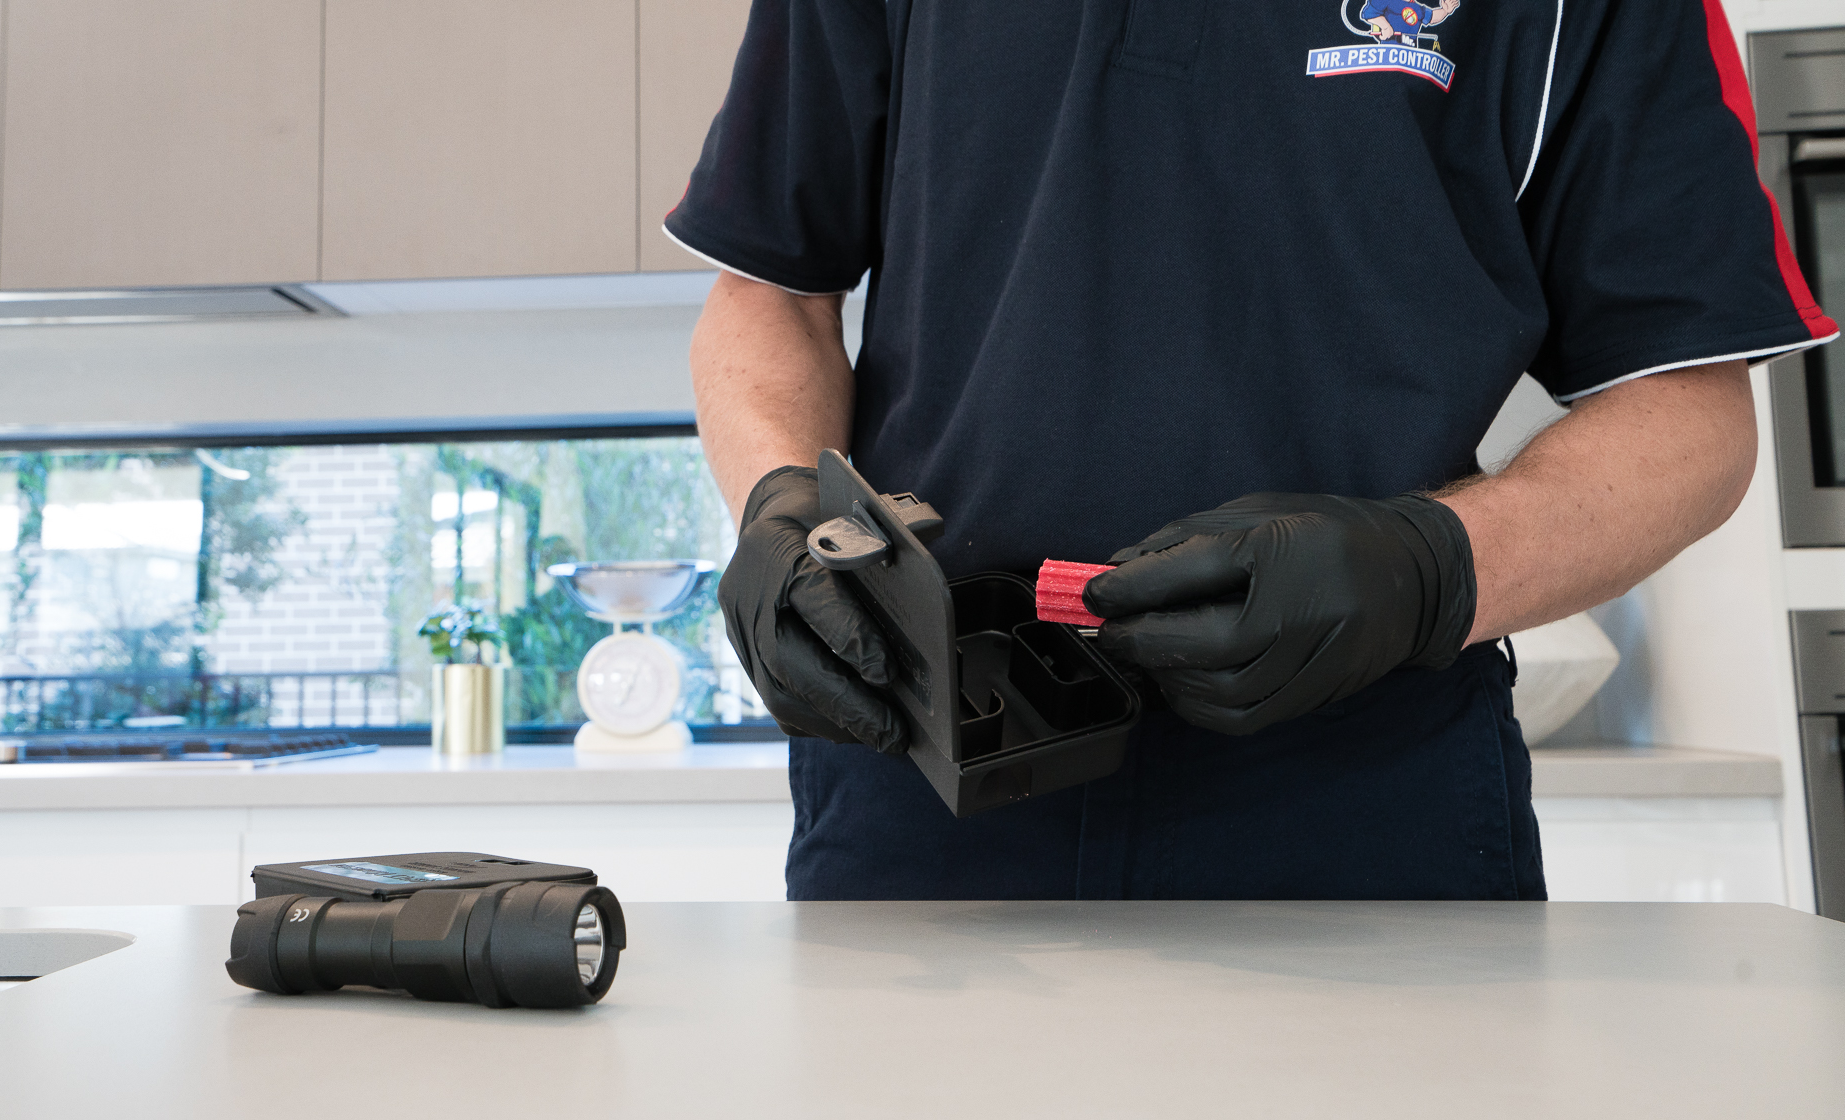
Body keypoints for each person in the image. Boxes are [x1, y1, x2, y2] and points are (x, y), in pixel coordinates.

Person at [669, 0, 1835, 901]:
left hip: (1360, 798)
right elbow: (772, 292)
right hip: (923, 772)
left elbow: (1691, 413)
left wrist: (1427, 562)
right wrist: (780, 503)